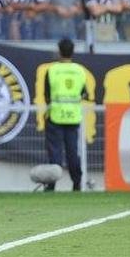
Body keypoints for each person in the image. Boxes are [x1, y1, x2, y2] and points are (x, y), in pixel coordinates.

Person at [42, 38, 89, 191]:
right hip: (73, 116)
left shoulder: (52, 70)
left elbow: (47, 95)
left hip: (55, 115)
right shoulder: (79, 70)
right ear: (72, 51)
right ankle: (77, 183)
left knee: (55, 153)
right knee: (72, 152)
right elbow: (84, 93)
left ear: (59, 51)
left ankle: (51, 185)